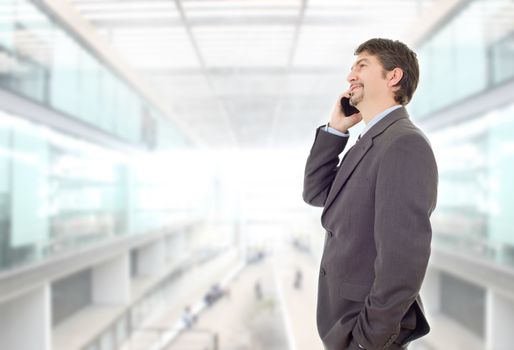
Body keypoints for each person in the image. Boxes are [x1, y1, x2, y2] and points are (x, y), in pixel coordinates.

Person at [302, 38, 438, 350]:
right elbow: (316, 192)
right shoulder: (370, 141)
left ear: (393, 76)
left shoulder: (404, 144)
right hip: (343, 323)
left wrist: (367, 341)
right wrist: (336, 129)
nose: (351, 75)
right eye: (351, 68)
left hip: (363, 333)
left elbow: (403, 259)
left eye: (362, 65)